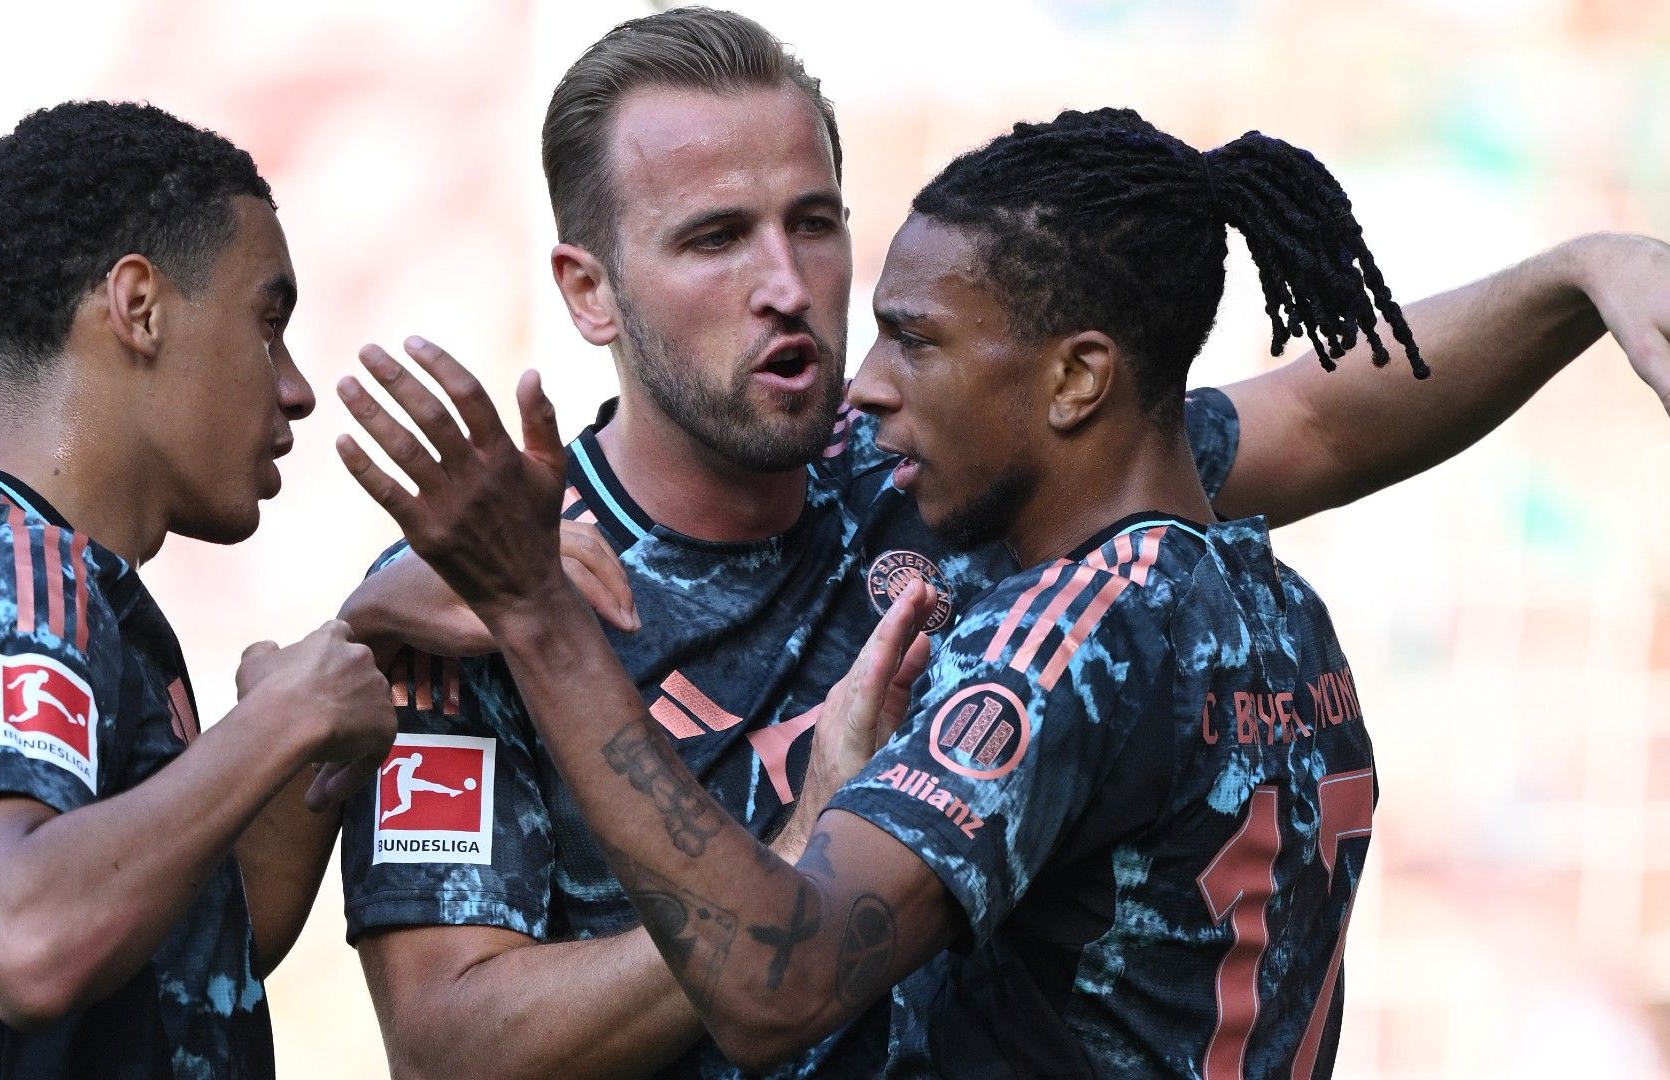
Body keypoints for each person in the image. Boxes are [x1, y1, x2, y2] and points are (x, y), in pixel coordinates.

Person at [333, 10, 1670, 1078]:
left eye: (813, 219)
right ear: (588, 290)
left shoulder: (960, 472)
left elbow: (1319, 419)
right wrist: (784, 864)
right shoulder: (481, 589)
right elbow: (457, 1049)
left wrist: (1580, 276)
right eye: (714, 237)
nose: (788, 285)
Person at [0, 101, 399, 1079]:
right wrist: (274, 723)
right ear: (139, 307)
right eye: (268, 323)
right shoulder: (22, 571)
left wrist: (344, 678)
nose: (295, 386)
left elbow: (188, 960)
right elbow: (32, 940)